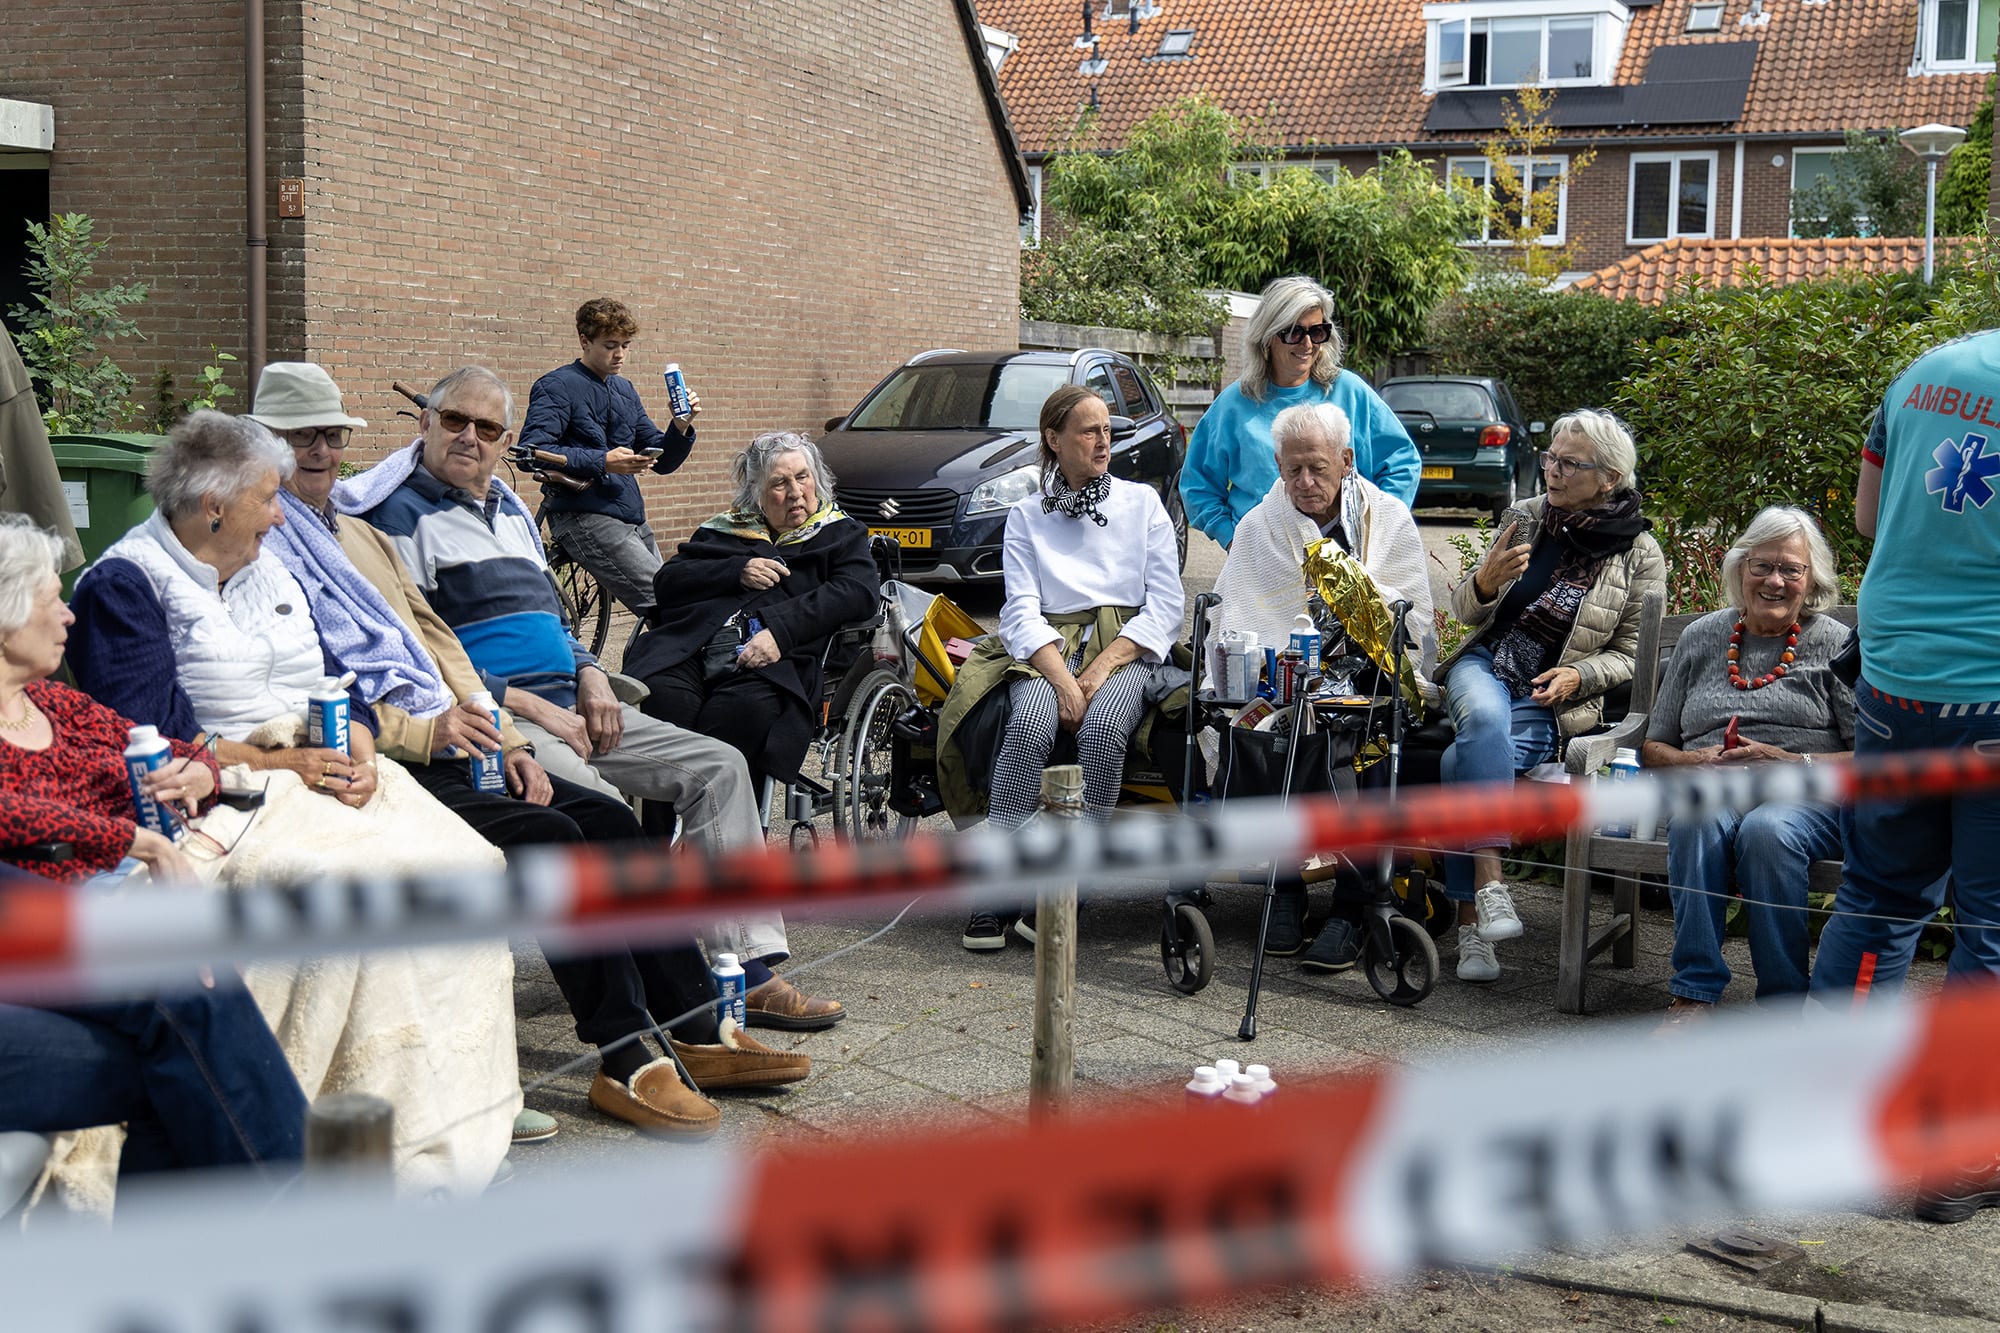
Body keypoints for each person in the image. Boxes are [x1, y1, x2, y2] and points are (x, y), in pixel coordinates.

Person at [248, 362, 808, 1136]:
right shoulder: (327, 530)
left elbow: (433, 639)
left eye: (329, 435)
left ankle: (700, 1019)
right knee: (568, 830)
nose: (317, 450)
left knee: (643, 807)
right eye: (297, 435)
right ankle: (624, 1052)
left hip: (503, 714)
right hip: (414, 738)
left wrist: (564, 691)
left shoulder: (367, 530)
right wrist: (500, 718)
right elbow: (328, 677)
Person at [66, 411, 517, 1196]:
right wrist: (286, 763)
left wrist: (365, 746)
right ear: (214, 504)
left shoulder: (269, 567)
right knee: (350, 893)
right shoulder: (124, 585)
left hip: (322, 768)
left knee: (470, 864)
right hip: (225, 790)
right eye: (269, 497)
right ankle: (343, 1132)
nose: (281, 516)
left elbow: (342, 677)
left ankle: (451, 1110)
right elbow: (152, 738)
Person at [340, 366, 842, 1030]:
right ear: (426, 422)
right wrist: (531, 706)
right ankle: (660, 996)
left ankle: (746, 970)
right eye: (454, 420)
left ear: (506, 441)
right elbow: (417, 656)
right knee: (603, 809)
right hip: (501, 719)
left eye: (486, 427)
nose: (469, 437)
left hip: (575, 700)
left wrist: (592, 676)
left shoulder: (511, 513)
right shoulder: (392, 521)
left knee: (720, 767)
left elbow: (556, 624)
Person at [1810, 329, 2000, 1224]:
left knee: (1880, 897)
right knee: (1992, 929)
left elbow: (1865, 518)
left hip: (1896, 684)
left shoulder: (1925, 370)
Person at [940, 385, 1184, 950]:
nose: (1103, 441)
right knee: (1028, 724)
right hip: (1050, 645)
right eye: (1089, 431)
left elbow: (1165, 604)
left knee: (1103, 728)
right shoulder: (1027, 514)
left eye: (1107, 430)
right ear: (1054, 438)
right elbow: (1020, 608)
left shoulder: (1142, 503)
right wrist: (1061, 679)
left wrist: (1097, 673)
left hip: (1125, 645)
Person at [1439, 408, 1666, 984]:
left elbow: (1632, 653)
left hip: (1550, 700)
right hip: (1486, 665)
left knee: (1458, 761)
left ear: (1609, 478)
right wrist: (1485, 580)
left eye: (1570, 464)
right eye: (1550, 459)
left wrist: (1578, 677)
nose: (1553, 472)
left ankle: (1471, 929)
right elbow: (1464, 612)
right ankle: (1491, 882)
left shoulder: (1640, 553)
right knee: (1482, 718)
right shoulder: (1526, 518)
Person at [1207, 400, 1434, 966]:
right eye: (1294, 469)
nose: (1305, 482)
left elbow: (1413, 620)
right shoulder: (1259, 526)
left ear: (1347, 460)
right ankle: (1283, 888)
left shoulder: (1387, 519)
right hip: (1286, 681)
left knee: (1367, 748)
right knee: (1263, 737)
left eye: (1318, 468)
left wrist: (1355, 599)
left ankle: (1352, 908)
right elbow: (1237, 614)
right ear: (1278, 466)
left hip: (1370, 683)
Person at [1643, 508, 1853, 1021]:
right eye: (1762, 566)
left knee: (1768, 831)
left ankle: (1781, 1004)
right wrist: (1692, 759)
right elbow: (1653, 746)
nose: (1775, 581)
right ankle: (1693, 993)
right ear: (1740, 569)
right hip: (1715, 789)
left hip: (1807, 799)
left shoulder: (1835, 644)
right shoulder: (1702, 636)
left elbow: (1868, 754)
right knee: (1694, 817)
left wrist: (1787, 759)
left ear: (1812, 579)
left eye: (1791, 569)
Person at [623, 430, 876, 800]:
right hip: (693, 650)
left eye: (802, 477)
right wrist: (735, 571)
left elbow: (857, 591)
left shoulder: (839, 534)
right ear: (756, 493)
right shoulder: (728, 529)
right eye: (779, 483)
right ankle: (660, 830)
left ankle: (720, 824)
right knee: (661, 700)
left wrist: (780, 631)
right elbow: (668, 582)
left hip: (773, 664)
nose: (795, 492)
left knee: (736, 715)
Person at [1180, 275, 1420, 549]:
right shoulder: (1233, 405)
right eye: (1294, 332)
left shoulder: (1351, 392)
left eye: (1317, 332)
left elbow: (1402, 463)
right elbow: (1197, 486)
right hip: (1263, 557)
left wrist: (1376, 527)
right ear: (1267, 337)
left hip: (1347, 557)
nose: (1307, 344)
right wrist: (1232, 539)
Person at [519, 297, 698, 619]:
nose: (620, 355)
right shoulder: (556, 386)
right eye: (610, 345)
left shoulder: (624, 389)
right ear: (584, 341)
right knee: (668, 607)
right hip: (583, 513)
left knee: (675, 601)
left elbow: (663, 461)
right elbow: (532, 452)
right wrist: (603, 461)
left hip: (629, 514)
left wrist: (680, 426)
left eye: (625, 345)